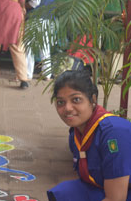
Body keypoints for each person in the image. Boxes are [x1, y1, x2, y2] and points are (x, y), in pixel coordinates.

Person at [47, 70, 131, 201]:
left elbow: (116, 198)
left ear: (93, 100)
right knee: (64, 193)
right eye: (60, 102)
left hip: (122, 194)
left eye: (76, 99)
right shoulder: (76, 134)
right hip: (102, 188)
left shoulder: (113, 133)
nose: (67, 108)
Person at [25, 0, 53, 81]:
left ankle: (27, 74)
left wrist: (24, 7)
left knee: (29, 46)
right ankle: (47, 74)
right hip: (48, 16)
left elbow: (35, 1)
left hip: (35, 16)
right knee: (45, 46)